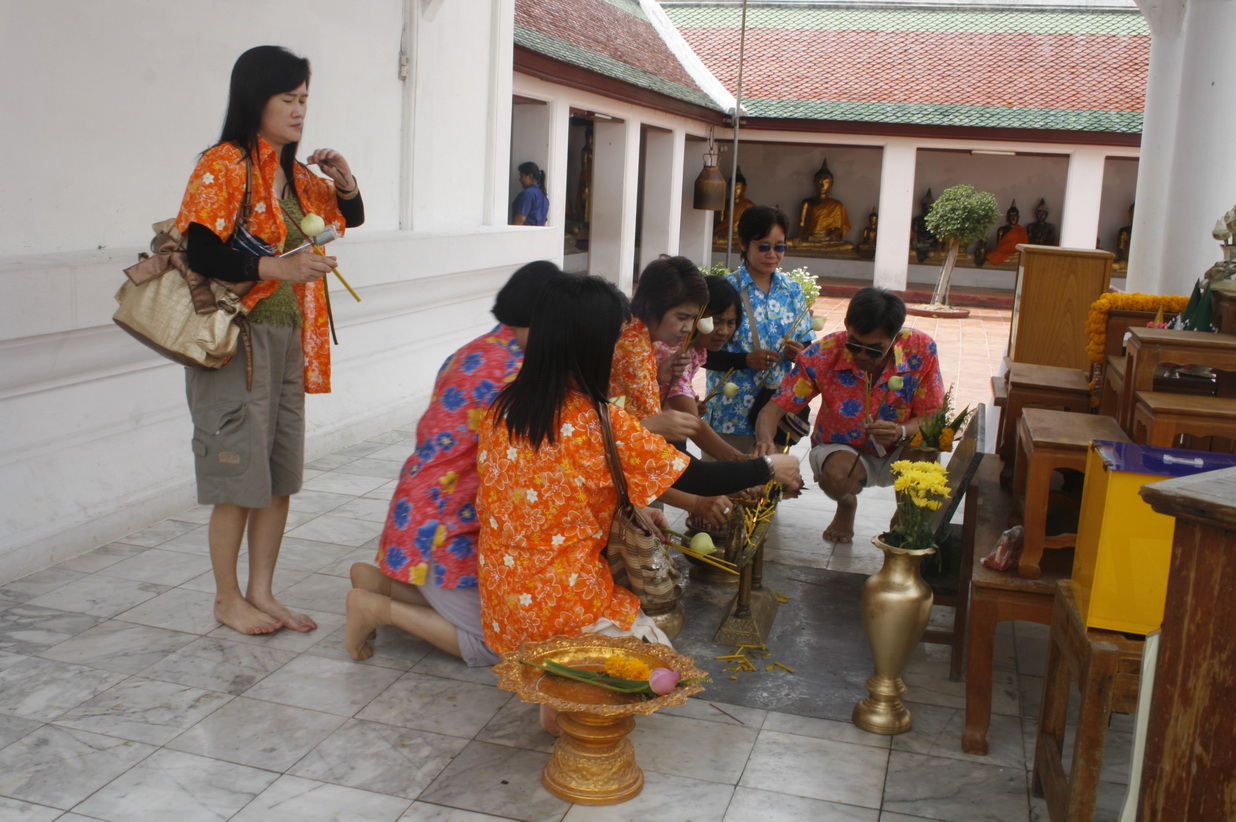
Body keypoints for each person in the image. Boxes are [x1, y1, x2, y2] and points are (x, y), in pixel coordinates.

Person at [475, 273, 804, 659]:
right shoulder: (596, 421)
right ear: (591, 345)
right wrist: (770, 466)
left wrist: (631, 508)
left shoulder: (502, 408)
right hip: (563, 605)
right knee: (657, 666)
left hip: (502, 600)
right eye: (613, 339)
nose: (618, 350)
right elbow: (698, 477)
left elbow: (558, 493)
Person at [176, 45, 364, 635]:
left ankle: (262, 591)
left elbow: (348, 219)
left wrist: (346, 183)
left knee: (280, 475)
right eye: (288, 99)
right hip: (238, 342)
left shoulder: (298, 176)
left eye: (304, 99)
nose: (300, 110)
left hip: (288, 339)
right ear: (256, 99)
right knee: (238, 476)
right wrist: (275, 268)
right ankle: (226, 597)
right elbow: (201, 250)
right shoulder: (225, 163)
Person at [344, 262, 560, 664]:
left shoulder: (477, 349)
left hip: (420, 508)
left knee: (494, 612)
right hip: (443, 527)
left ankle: (376, 584)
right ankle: (375, 607)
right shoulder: (515, 371)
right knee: (497, 642)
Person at [754, 288, 943, 544]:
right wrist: (765, 442)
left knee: (926, 449)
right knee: (836, 475)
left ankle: (905, 518)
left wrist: (901, 431)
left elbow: (932, 416)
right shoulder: (822, 354)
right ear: (846, 325)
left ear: (896, 338)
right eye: (854, 345)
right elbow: (772, 410)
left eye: (874, 349)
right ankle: (846, 504)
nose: (862, 356)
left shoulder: (921, 349)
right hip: (843, 448)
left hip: (901, 446)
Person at [612, 256, 735, 527]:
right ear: (652, 306)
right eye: (682, 317)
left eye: (693, 318)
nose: (688, 328)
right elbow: (644, 445)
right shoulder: (634, 351)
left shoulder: (635, 334)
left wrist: (658, 378)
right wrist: (699, 499)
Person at [705, 206, 815, 452]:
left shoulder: (793, 290)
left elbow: (807, 344)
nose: (772, 255)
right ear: (743, 243)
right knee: (728, 476)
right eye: (763, 246)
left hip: (778, 410)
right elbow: (702, 353)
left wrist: (798, 352)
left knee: (773, 475)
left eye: (780, 247)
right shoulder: (726, 290)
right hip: (730, 413)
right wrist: (745, 360)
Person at [793, 160, 852, 251]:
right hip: (810, 238)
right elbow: (801, 224)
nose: (822, 185)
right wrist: (798, 237)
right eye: (819, 181)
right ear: (814, 182)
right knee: (789, 243)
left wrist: (829, 237)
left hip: (828, 239)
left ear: (831, 184)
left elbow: (839, 228)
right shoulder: (807, 202)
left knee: (850, 245)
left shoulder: (837, 205)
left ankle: (818, 247)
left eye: (826, 182)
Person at [713, 166, 754, 245]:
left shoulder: (749, 205)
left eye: (738, 187)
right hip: (726, 235)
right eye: (733, 187)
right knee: (714, 239)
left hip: (741, 236)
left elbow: (753, 227)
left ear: (744, 188)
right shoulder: (724, 203)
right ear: (729, 187)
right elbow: (720, 224)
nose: (735, 190)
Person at [985, 201, 1029, 266]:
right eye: (1011, 215)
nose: (1013, 218)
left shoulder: (1022, 231)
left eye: (1015, 215)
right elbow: (999, 247)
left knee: (1021, 257)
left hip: (1016, 255)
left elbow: (1024, 248)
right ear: (1007, 217)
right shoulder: (1002, 230)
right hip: (1003, 254)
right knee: (996, 255)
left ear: (1018, 217)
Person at [511, 161, 548, 226]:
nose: (520, 179)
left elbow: (520, 219)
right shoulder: (543, 196)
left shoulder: (528, 194)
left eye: (522, 176)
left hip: (525, 230)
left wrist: (512, 231)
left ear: (530, 176)